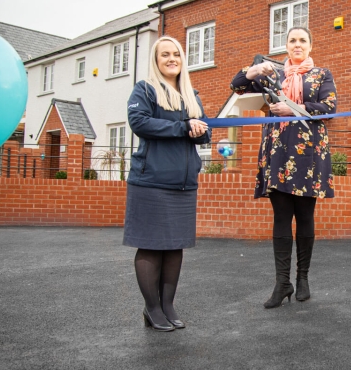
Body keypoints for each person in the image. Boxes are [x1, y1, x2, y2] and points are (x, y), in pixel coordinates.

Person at [230, 26, 337, 308]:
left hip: (308, 152)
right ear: (286, 46)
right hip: (277, 151)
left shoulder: (321, 74)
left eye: (302, 40)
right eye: (292, 40)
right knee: (280, 217)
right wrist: (252, 72)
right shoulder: (272, 75)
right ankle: (282, 283)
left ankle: (302, 279)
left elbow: (329, 107)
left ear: (310, 46)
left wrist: (293, 109)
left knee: (304, 216)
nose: (297, 44)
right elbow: (237, 86)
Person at [124, 36, 211, 331]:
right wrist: (183, 126)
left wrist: (199, 129)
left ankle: (167, 305)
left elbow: (204, 134)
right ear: (156, 59)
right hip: (151, 181)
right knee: (151, 247)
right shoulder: (145, 89)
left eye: (176, 54)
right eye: (165, 54)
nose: (172, 58)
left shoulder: (191, 93)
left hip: (183, 184)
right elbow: (140, 123)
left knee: (175, 247)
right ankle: (151, 309)